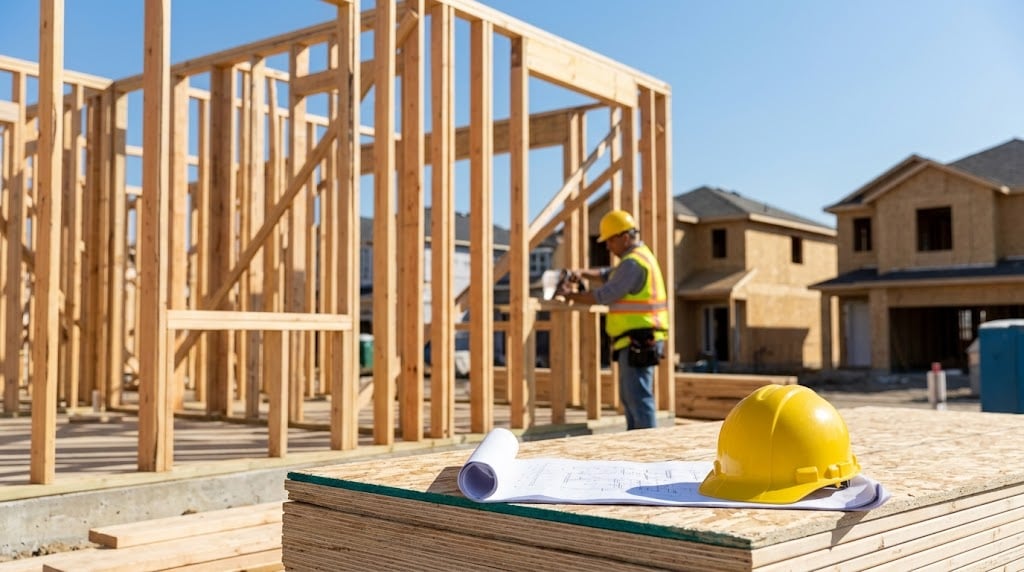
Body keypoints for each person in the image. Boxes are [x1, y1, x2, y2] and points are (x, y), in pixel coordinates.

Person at [557, 209, 669, 430]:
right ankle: (637, 445)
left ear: (624, 237)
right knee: (632, 397)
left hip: (639, 340)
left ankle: (647, 450)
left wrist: (569, 295)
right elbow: (610, 273)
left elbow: (604, 294)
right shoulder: (636, 258)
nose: (607, 246)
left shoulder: (633, 263)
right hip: (637, 340)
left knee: (638, 398)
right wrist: (582, 273)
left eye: (610, 240)